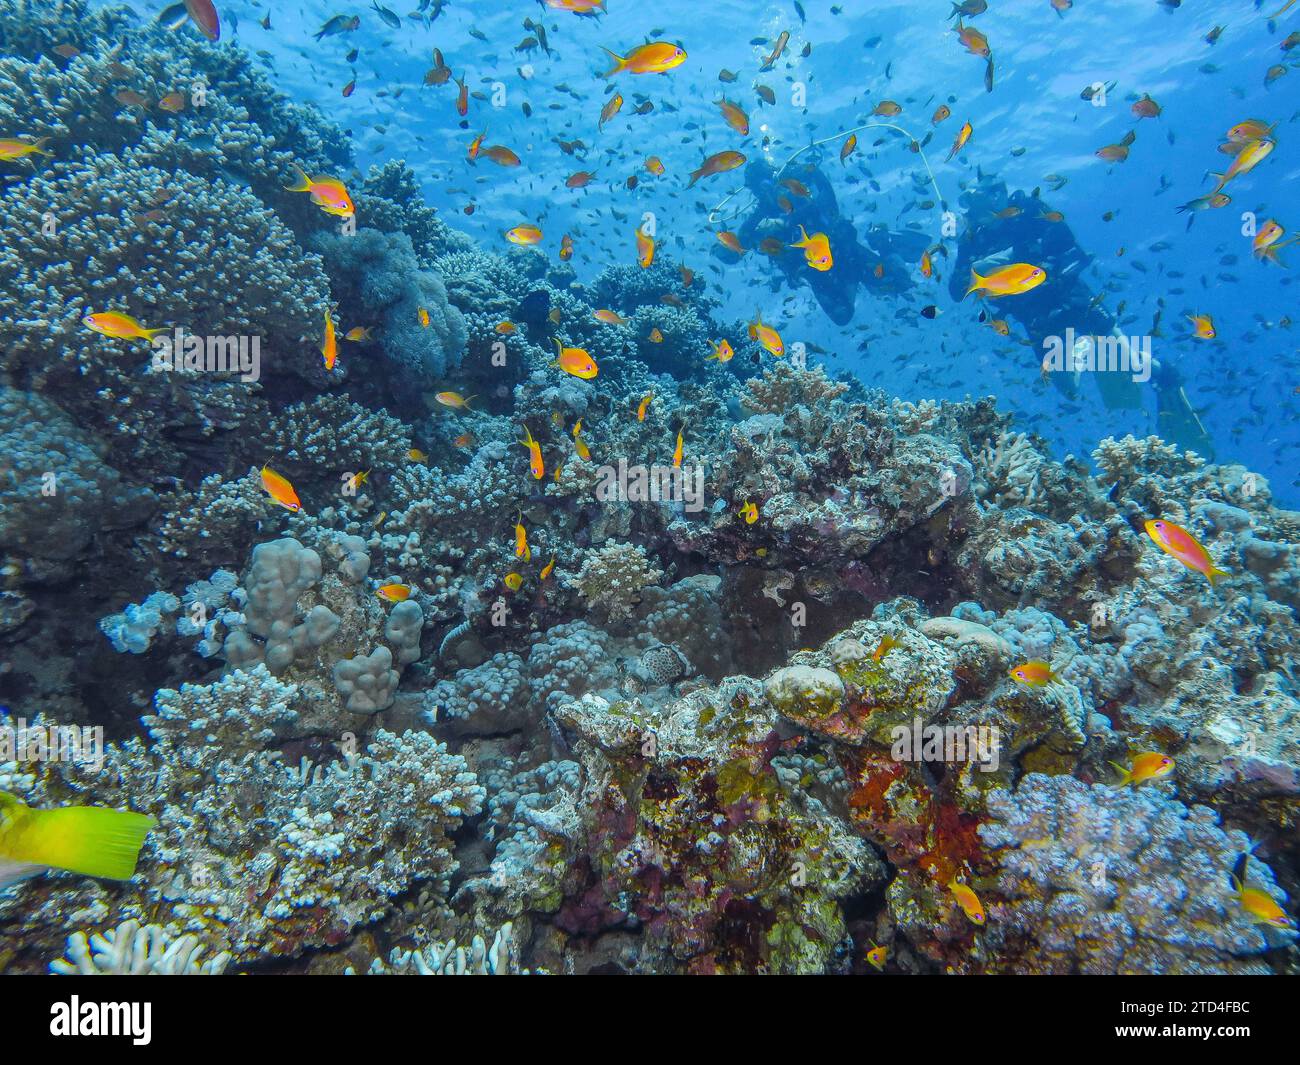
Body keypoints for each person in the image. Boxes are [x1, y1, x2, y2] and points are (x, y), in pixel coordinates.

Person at [947, 173, 1214, 459]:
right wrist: (972, 272)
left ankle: (1164, 376)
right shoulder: (973, 238)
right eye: (970, 206)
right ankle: (1086, 350)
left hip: (1075, 302)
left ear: (999, 196)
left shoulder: (1030, 213)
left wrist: (1036, 267)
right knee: (1067, 388)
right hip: (1038, 322)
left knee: (1130, 363)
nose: (974, 212)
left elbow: (1075, 252)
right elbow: (955, 290)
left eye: (980, 203)